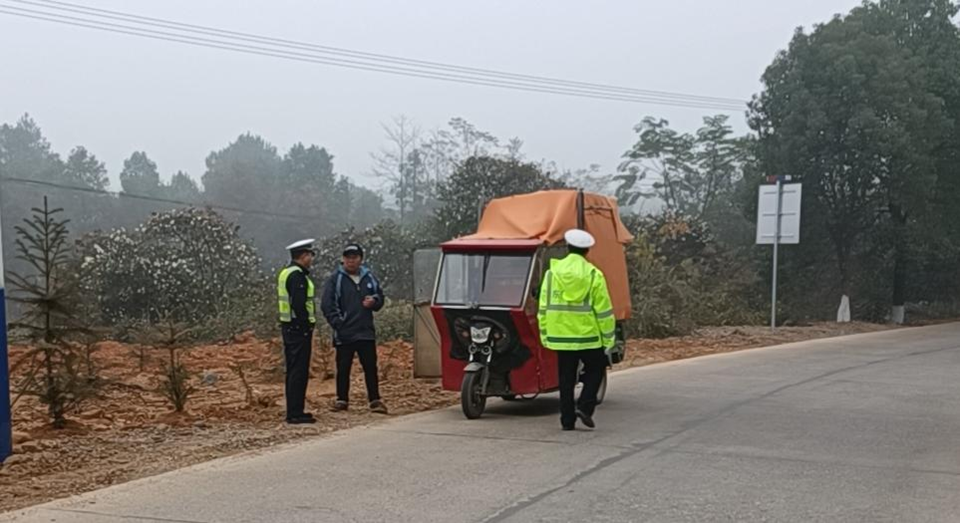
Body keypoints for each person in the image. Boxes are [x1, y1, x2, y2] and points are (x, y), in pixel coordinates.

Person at [538, 229, 615, 431]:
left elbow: (543, 306)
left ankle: (567, 421)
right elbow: (604, 310)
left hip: (560, 335)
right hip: (588, 335)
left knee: (566, 377)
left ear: (567, 247)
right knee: (596, 368)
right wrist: (608, 339)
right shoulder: (594, 275)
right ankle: (585, 406)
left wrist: (545, 334)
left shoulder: (552, 274)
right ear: (587, 250)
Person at [320, 243, 389, 414]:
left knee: (370, 367)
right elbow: (327, 305)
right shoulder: (335, 279)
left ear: (361, 259)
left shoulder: (369, 277)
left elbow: (379, 297)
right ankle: (342, 399)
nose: (351, 261)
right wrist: (338, 323)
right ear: (343, 259)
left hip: (366, 331)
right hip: (345, 333)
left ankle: (375, 400)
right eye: (348, 257)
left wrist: (374, 302)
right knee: (343, 368)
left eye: (354, 257)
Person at [277, 239, 318, 425]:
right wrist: (306, 325)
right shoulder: (297, 276)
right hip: (298, 329)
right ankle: (295, 412)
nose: (311, 259)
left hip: (289, 327)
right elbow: (299, 304)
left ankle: (295, 410)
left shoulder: (286, 273)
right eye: (309, 255)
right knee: (298, 371)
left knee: (294, 370)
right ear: (303, 256)